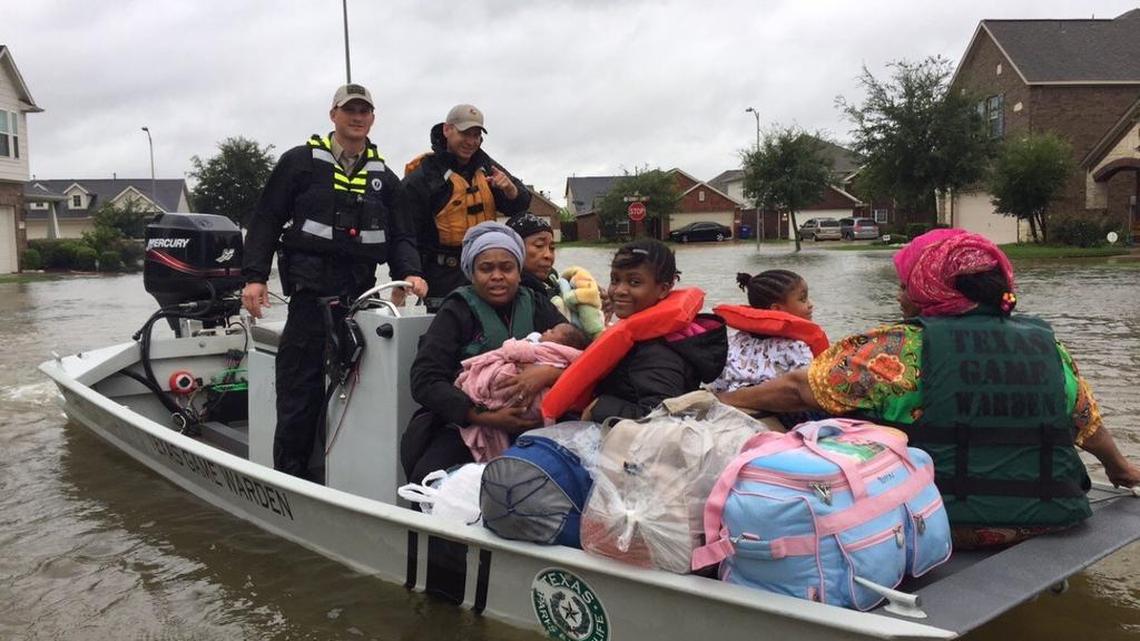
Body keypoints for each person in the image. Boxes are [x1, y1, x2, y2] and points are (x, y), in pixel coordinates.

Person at [718, 228, 1140, 548]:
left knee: (808, 423)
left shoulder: (898, 346)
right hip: (1053, 515)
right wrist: (1121, 468)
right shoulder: (1048, 344)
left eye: (905, 285)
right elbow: (1086, 421)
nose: (901, 296)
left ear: (929, 288)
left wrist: (723, 401)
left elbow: (796, 389)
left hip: (938, 518)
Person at [240, 84, 427, 481]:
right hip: (309, 298)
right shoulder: (300, 163)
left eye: (364, 111)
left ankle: (349, 475)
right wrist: (255, 277)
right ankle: (290, 478)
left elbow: (402, 236)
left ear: (372, 118)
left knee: (361, 387)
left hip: (360, 298)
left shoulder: (385, 179)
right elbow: (266, 220)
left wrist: (409, 273)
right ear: (333, 115)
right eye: (349, 110)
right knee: (298, 392)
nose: (357, 117)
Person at [402, 221, 568, 485]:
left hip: (537, 423)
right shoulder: (456, 310)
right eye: (486, 268)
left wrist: (548, 373)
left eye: (507, 268)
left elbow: (578, 356)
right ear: (471, 272)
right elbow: (425, 379)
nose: (497, 276)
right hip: (468, 424)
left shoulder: (537, 303)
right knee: (427, 479)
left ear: (518, 270)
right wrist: (484, 416)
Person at [582, 239, 727, 424]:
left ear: (663, 289)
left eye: (634, 282)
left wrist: (600, 407)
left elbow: (663, 419)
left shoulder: (657, 354)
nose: (619, 290)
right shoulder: (643, 337)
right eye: (615, 280)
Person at [400, 104, 531, 308]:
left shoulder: (486, 165)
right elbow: (405, 234)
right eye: (465, 134)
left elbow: (521, 206)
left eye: (476, 135)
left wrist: (511, 191)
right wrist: (411, 273)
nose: (471, 142)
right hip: (442, 277)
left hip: (485, 271)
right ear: (447, 130)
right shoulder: (423, 178)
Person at [455, 322, 589, 462]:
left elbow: (586, 370)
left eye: (553, 331)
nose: (547, 329)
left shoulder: (550, 342)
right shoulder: (456, 310)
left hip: (532, 411)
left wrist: (552, 374)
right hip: (472, 412)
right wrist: (485, 417)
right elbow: (433, 380)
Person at [707, 270, 820, 393]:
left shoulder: (732, 342)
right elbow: (808, 390)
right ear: (776, 309)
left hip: (731, 404)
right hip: (777, 408)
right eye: (803, 299)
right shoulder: (796, 347)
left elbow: (718, 386)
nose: (810, 305)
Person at [506, 211, 606, 338]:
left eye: (552, 248)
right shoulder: (516, 295)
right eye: (539, 245)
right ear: (514, 249)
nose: (548, 255)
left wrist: (597, 307)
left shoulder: (557, 283)